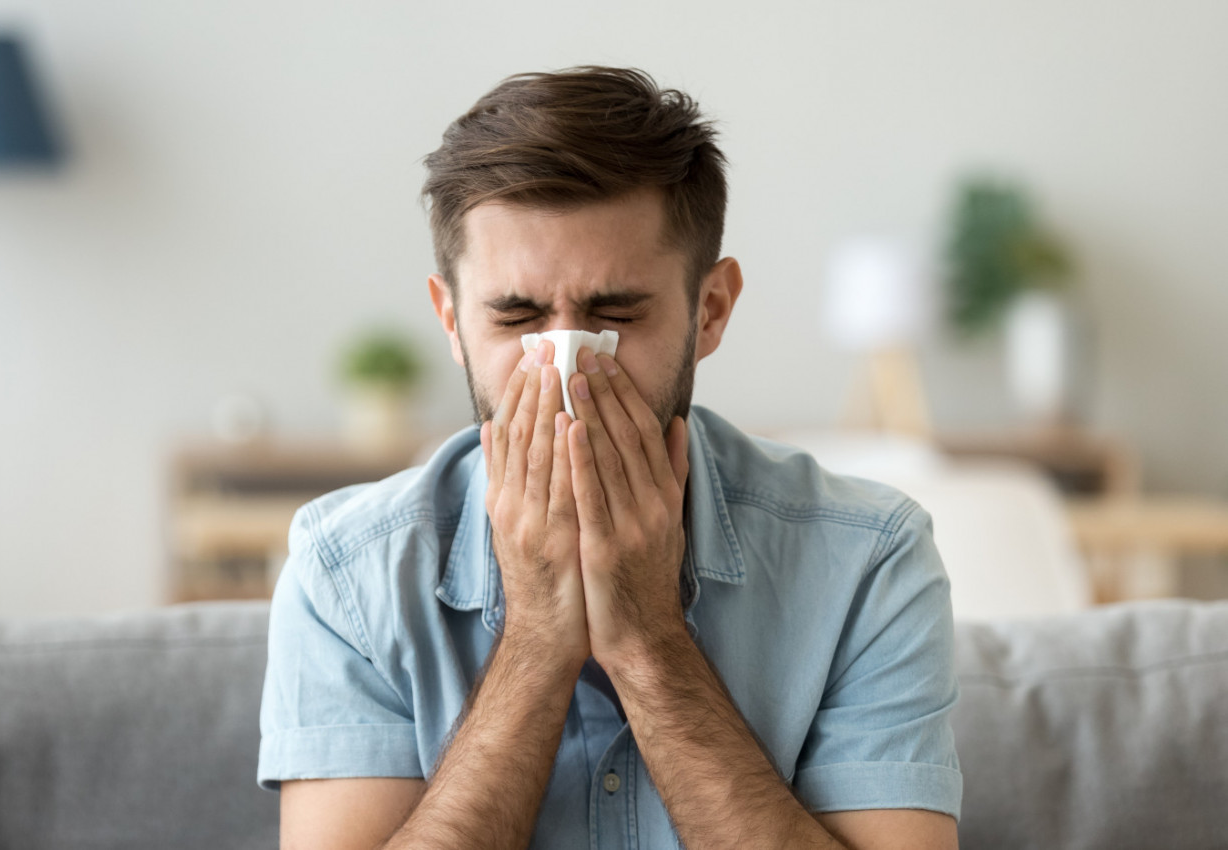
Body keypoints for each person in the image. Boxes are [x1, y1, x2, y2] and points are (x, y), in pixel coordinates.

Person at [258, 66, 963, 849]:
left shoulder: (868, 559)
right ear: (450, 320)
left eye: (616, 313)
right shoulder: (346, 575)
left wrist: (647, 640)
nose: (564, 370)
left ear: (711, 311)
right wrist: (534, 642)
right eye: (516, 316)